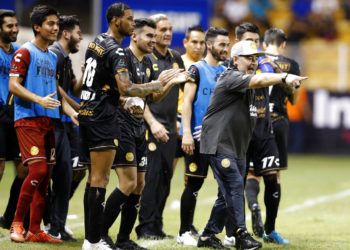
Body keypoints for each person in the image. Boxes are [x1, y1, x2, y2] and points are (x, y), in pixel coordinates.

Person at [79, 4, 181, 249]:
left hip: (128, 125)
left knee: (138, 185)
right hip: (114, 121)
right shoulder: (121, 55)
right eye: (149, 35)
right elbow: (127, 91)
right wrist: (155, 86)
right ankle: (97, 237)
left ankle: (123, 239)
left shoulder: (140, 61)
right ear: (127, 29)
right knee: (117, 182)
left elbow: (148, 98)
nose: (154, 41)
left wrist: (166, 83)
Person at [197, 40, 307, 249]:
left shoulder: (248, 86)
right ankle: (241, 235)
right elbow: (259, 80)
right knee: (236, 186)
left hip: (237, 147)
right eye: (249, 58)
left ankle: (207, 235)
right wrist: (284, 76)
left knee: (225, 194)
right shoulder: (231, 77)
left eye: (256, 58)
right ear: (235, 59)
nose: (253, 62)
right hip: (219, 144)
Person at [8, 5, 78, 244]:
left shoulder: (51, 56)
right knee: (37, 171)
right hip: (28, 120)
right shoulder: (25, 52)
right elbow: (13, 86)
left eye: (57, 24)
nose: (55, 28)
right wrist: (38, 99)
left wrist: (68, 111)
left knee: (45, 176)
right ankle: (17, 223)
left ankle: (35, 230)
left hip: (51, 121)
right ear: (37, 27)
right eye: (50, 24)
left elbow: (54, 92)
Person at [238, 23, 289, 245]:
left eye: (256, 42)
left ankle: (270, 229)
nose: (254, 47)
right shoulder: (234, 67)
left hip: (265, 129)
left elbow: (278, 83)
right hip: (241, 134)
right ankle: (236, 231)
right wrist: (284, 77)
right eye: (249, 41)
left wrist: (278, 72)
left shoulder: (264, 63)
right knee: (236, 183)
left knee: (272, 179)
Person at [178, 27, 229, 246]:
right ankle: (184, 231)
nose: (226, 48)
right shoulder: (196, 69)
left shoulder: (227, 70)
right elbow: (187, 102)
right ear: (210, 45)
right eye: (222, 45)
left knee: (228, 185)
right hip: (199, 137)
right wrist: (187, 133)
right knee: (194, 184)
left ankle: (226, 231)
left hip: (223, 138)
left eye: (227, 45)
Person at [136, 13, 185, 240]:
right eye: (162, 29)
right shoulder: (146, 58)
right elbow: (142, 98)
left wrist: (178, 118)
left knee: (165, 180)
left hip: (171, 129)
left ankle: (157, 225)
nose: (167, 33)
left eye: (170, 29)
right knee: (151, 179)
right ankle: (144, 226)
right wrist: (153, 123)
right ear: (152, 33)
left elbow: (183, 93)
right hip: (152, 128)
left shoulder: (176, 58)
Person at [46, 14, 82, 241]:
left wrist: (89, 72)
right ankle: (52, 222)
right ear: (66, 33)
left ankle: (55, 221)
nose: (80, 37)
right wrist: (75, 108)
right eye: (79, 33)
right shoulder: (56, 55)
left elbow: (72, 88)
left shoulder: (67, 59)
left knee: (73, 172)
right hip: (56, 122)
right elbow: (56, 87)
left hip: (68, 124)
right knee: (60, 174)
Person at [0, 9, 27, 230]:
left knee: (24, 169)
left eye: (16, 25)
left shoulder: (19, 52)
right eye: (9, 26)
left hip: (16, 115)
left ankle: (9, 217)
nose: (14, 29)